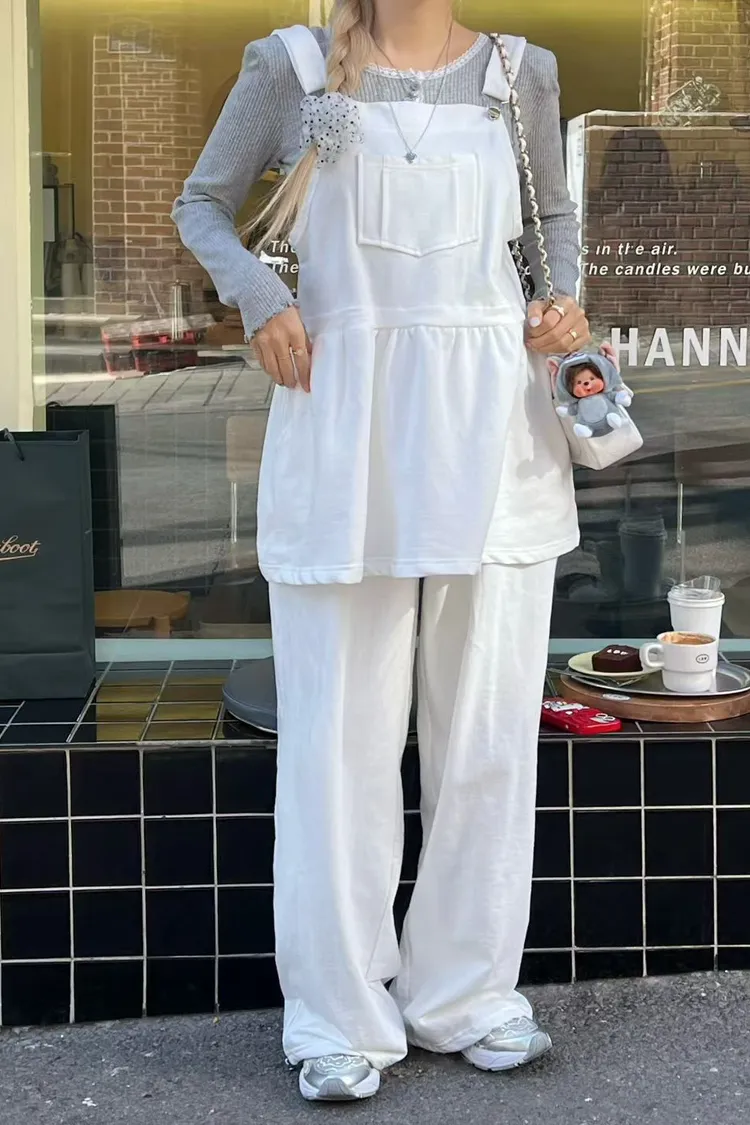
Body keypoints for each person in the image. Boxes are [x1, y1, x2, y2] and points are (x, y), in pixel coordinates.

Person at [174, 0, 587, 1103]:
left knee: (488, 734)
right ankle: (336, 1015)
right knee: (335, 743)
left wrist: (561, 302)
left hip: (493, 433)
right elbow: (202, 203)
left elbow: (553, 219)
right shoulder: (290, 65)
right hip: (345, 426)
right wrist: (260, 297)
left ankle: (468, 994)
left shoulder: (520, 72)